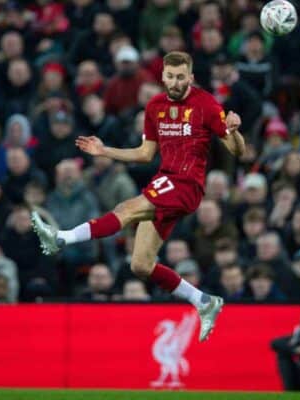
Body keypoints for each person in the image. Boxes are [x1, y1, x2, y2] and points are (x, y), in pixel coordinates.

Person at [31, 51, 246, 342]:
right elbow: (145, 154)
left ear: (191, 77)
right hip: (164, 179)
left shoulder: (206, 104)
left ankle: (61, 238)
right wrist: (104, 150)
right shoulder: (155, 106)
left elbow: (238, 151)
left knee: (127, 208)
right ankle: (204, 301)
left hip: (186, 184)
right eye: (170, 77)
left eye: (181, 77)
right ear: (163, 77)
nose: (175, 82)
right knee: (141, 264)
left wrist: (233, 131)